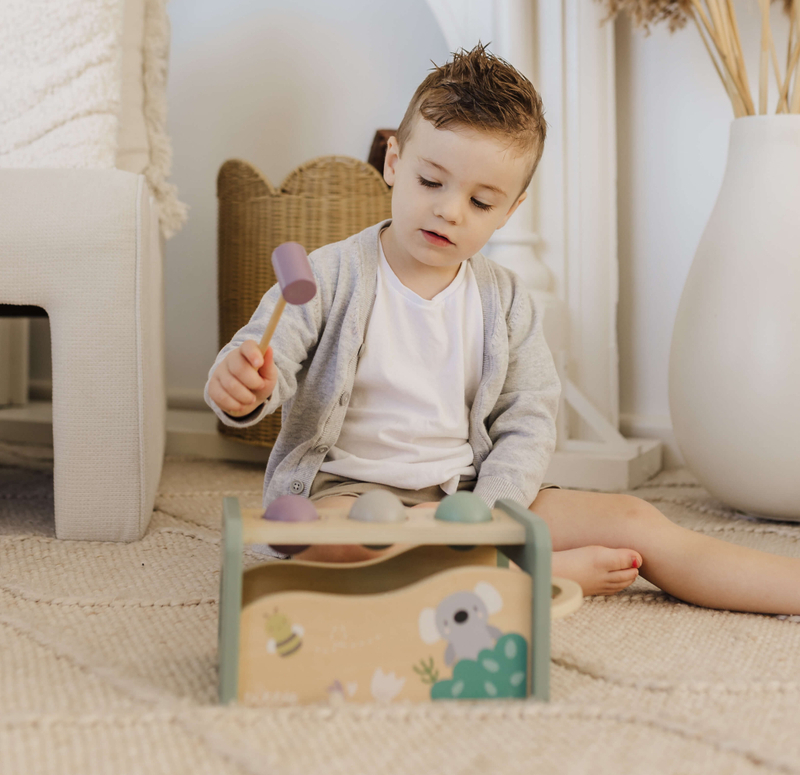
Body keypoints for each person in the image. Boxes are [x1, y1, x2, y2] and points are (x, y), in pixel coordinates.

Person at [206, 44, 800, 614]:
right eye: (431, 182)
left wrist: (488, 514)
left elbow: (528, 421)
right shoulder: (327, 274)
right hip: (348, 498)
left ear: (511, 210)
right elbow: (264, 360)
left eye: (482, 202)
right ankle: (518, 571)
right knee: (311, 541)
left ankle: (488, 557)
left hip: (471, 497)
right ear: (393, 162)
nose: (450, 210)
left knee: (636, 521)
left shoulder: (507, 300)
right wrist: (241, 385)